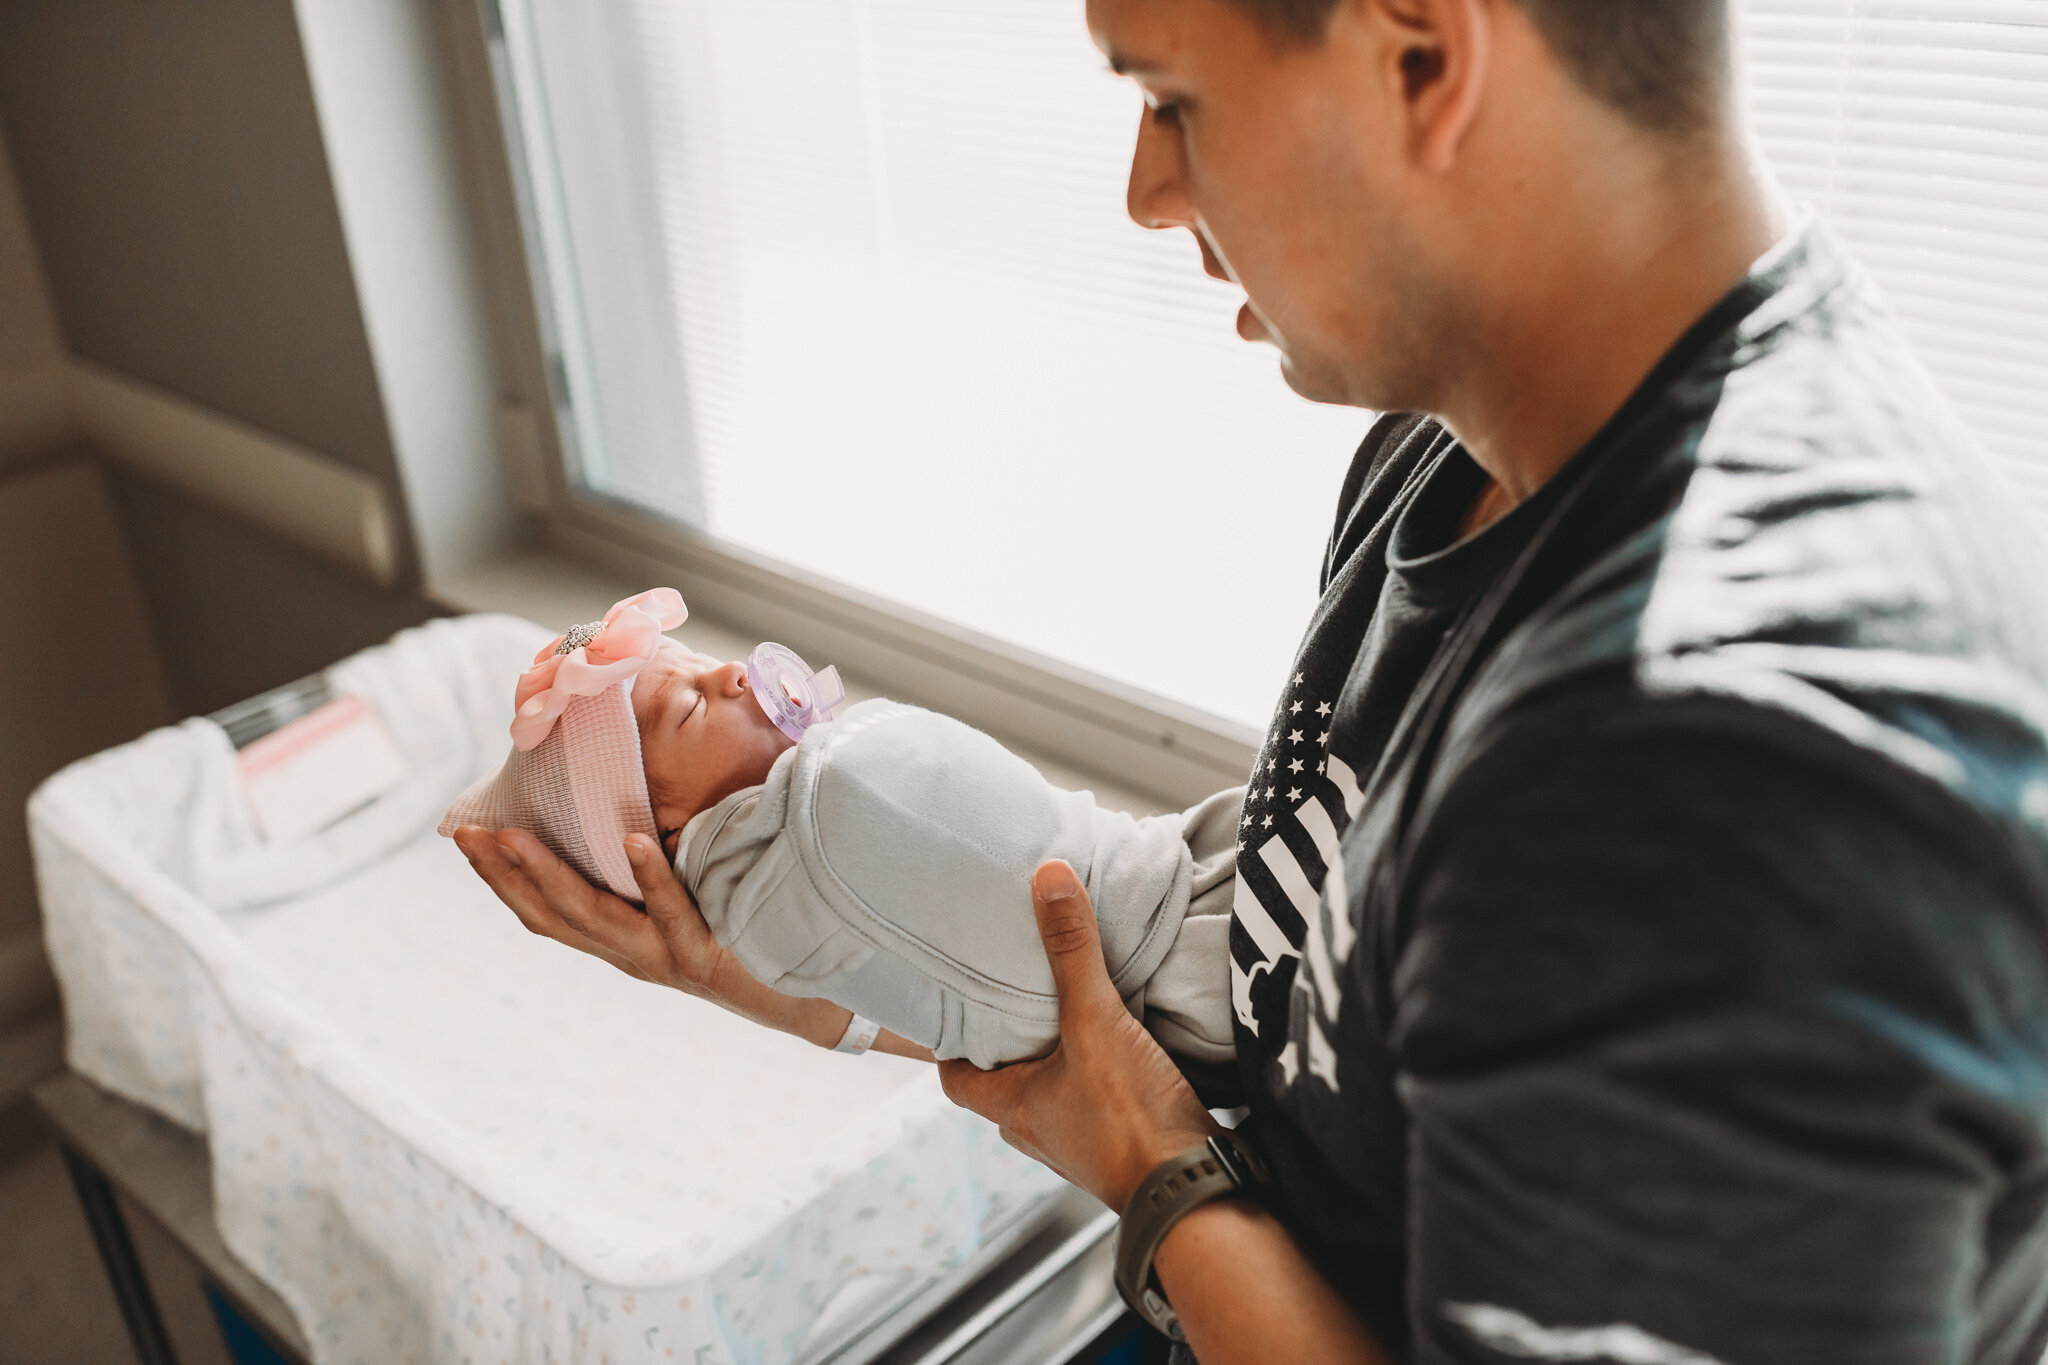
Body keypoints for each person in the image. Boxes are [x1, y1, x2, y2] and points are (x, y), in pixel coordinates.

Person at [457, 0, 2048, 1360]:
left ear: (1421, 54)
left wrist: (1153, 1171)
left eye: (1171, 98)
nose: (1147, 190)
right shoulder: (1451, 459)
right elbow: (1309, 964)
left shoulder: (1711, 777)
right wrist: (752, 954)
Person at [441, 590, 1241, 1072]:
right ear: (675, 835)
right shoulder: (823, 813)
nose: (729, 675)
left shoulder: (813, 829)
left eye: (698, 665)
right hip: (1193, 940)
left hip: (1196, 878)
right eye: (687, 707)